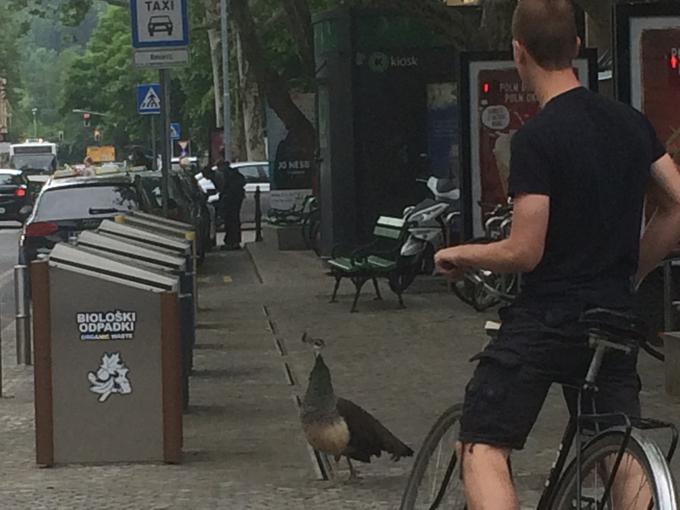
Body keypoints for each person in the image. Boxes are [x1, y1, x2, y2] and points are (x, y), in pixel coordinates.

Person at [434, 1, 680, 509]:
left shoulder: (537, 139)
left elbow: (526, 250)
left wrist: (462, 252)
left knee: (482, 444)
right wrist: (631, 270)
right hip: (613, 316)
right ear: (575, 48)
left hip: (549, 317)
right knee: (619, 448)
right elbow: (677, 203)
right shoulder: (631, 123)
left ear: (516, 52)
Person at [219, 160, 246, 250]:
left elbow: (225, 188)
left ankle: (232, 242)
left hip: (232, 200)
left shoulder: (227, 174)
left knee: (231, 221)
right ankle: (234, 241)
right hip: (236, 198)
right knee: (234, 220)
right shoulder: (234, 173)